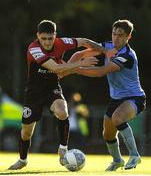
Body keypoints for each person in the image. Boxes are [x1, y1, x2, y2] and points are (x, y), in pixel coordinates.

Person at [8, 19, 117, 170]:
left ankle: (63, 148)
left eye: (50, 38)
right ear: (38, 36)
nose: (47, 42)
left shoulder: (62, 43)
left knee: (62, 111)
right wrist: (81, 63)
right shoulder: (34, 49)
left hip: (52, 87)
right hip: (34, 93)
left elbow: (83, 41)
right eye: (43, 38)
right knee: (26, 133)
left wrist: (105, 51)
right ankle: (23, 160)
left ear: (55, 35)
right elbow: (57, 69)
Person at [61, 19, 146, 171]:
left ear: (128, 37)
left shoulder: (127, 55)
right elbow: (80, 53)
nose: (116, 38)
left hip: (135, 98)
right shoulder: (107, 46)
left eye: (120, 35)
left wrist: (74, 69)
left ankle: (134, 155)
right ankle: (117, 160)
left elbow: (101, 71)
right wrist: (66, 67)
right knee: (107, 133)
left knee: (117, 118)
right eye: (114, 34)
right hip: (116, 99)